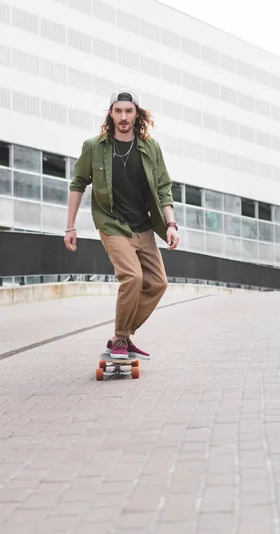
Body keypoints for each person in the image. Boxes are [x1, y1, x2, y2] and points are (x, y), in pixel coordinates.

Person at [64, 90, 179, 360]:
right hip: (113, 224)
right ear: (111, 113)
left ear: (137, 114)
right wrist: (70, 227)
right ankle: (120, 339)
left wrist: (171, 223)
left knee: (158, 283)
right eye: (118, 111)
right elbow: (78, 183)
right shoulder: (94, 147)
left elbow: (164, 188)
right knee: (133, 277)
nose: (123, 116)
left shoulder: (150, 147)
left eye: (129, 111)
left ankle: (121, 338)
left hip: (145, 227)